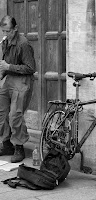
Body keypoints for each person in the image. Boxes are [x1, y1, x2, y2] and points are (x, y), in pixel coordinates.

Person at [0, 15, 36, 163]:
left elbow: (31, 68)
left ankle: (19, 147)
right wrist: (4, 71)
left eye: (8, 31)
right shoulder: (4, 42)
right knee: (2, 113)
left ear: (15, 28)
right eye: (3, 31)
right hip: (9, 78)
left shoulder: (23, 44)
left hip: (22, 80)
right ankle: (6, 143)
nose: (6, 35)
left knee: (15, 115)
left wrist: (9, 67)